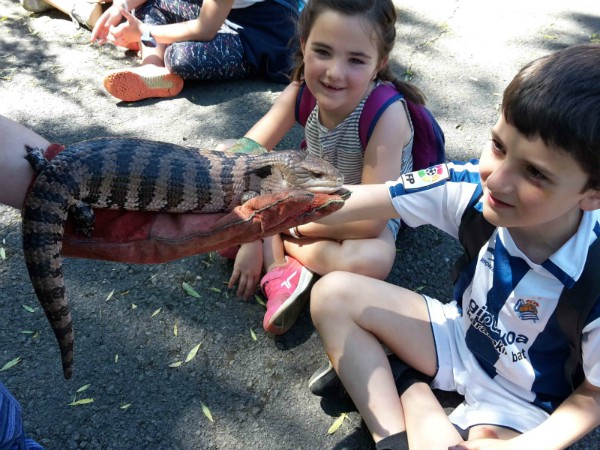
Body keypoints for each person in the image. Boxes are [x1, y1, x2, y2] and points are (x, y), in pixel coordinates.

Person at [307, 43, 600, 449]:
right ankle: (395, 427)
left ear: (593, 192)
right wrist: (249, 212)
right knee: (332, 295)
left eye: (534, 172)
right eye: (498, 145)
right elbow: (355, 201)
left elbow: (592, 396)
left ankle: (400, 379)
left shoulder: (595, 273)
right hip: (457, 336)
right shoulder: (472, 190)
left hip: (522, 402)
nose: (496, 181)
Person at [225, 0, 430, 336]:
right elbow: (245, 154)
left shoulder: (386, 114)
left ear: (379, 63)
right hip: (307, 193)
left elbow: (370, 220)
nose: (335, 72)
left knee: (371, 259)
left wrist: (271, 225)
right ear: (304, 45)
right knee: (223, 156)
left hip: (359, 211)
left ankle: (276, 255)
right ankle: (278, 252)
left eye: (356, 60)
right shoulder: (300, 91)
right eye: (322, 51)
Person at [90, 0, 304, 102]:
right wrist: (121, 7)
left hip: (259, 33)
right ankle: (152, 68)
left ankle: (158, 48)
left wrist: (144, 33)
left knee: (180, 57)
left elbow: (204, 29)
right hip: (221, 14)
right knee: (152, 4)